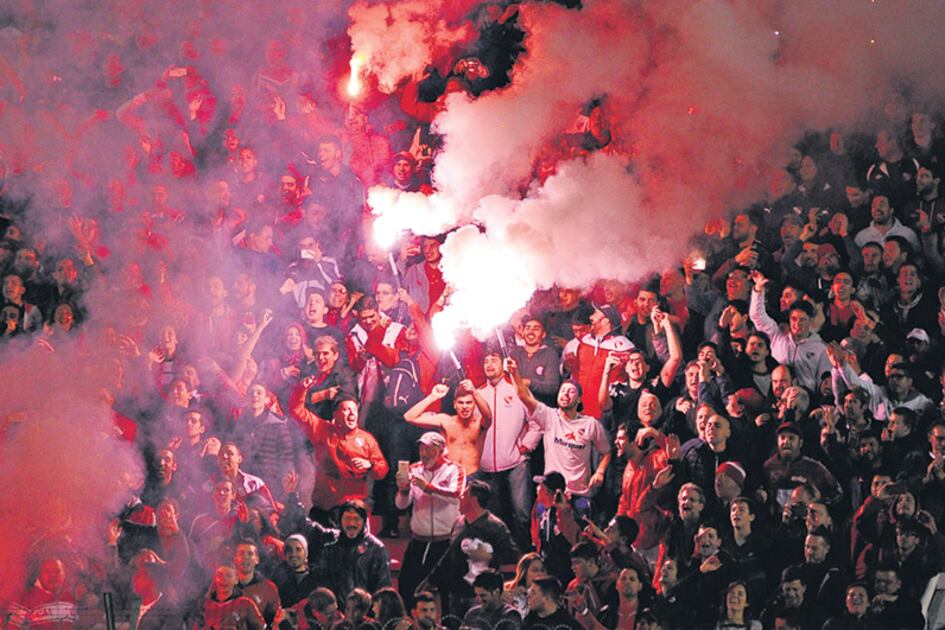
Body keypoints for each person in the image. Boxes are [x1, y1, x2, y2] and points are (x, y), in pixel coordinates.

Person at [509, 360, 611, 517]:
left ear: (578, 400)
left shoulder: (591, 424)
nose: (565, 394)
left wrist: (600, 472)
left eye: (571, 392)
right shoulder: (549, 416)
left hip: (580, 495)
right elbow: (522, 395)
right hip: (551, 493)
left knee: (577, 537)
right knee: (543, 534)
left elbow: (606, 452)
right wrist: (514, 372)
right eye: (562, 391)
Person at [289, 387, 388, 522]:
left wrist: (370, 465)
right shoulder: (321, 430)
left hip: (353, 512)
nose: (352, 413)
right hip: (324, 509)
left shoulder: (366, 439)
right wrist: (302, 388)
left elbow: (382, 470)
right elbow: (296, 410)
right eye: (346, 409)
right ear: (335, 415)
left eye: (354, 409)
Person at [427, 480, 520, 617]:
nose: (460, 498)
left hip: (481, 599)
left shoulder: (496, 528)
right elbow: (449, 556)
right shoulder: (458, 523)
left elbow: (511, 562)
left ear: (474, 499)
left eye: (464, 495)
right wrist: (430, 582)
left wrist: (501, 589)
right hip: (456, 595)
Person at [395, 431, 465, 610]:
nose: (424, 454)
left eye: (429, 450)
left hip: (445, 540)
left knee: (446, 589)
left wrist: (428, 488)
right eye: (421, 450)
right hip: (419, 538)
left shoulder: (454, 469)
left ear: (441, 450)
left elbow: (455, 495)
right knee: (406, 584)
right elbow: (401, 505)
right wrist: (403, 490)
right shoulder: (414, 469)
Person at [404, 380, 493, 476]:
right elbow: (409, 417)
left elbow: (488, 416)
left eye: (469, 403)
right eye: (461, 403)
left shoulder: (480, 423)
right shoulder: (445, 421)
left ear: (474, 405)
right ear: (455, 404)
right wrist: (433, 397)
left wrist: (475, 392)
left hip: (471, 476)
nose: (464, 406)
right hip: (449, 476)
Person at [315, 499, 392, 602]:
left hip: (366, 612)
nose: (351, 523)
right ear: (340, 521)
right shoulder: (330, 549)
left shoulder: (376, 549)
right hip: (336, 613)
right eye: (347, 518)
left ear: (364, 521)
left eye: (356, 519)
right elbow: (323, 585)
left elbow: (383, 588)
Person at [199, 565, 266, 630]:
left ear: (236, 580)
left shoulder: (245, 604)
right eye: (220, 575)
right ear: (215, 579)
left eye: (228, 576)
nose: (224, 579)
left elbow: (261, 627)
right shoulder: (204, 605)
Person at [233, 539, 281, 626]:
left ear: (257, 559)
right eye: (241, 553)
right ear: (235, 559)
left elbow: (276, 621)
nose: (245, 557)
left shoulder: (267, 588)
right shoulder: (224, 584)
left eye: (250, 554)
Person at [272, 534, 319, 607]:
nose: (293, 554)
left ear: (305, 553)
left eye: (298, 549)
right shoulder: (277, 579)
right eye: (289, 550)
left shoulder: (317, 579)